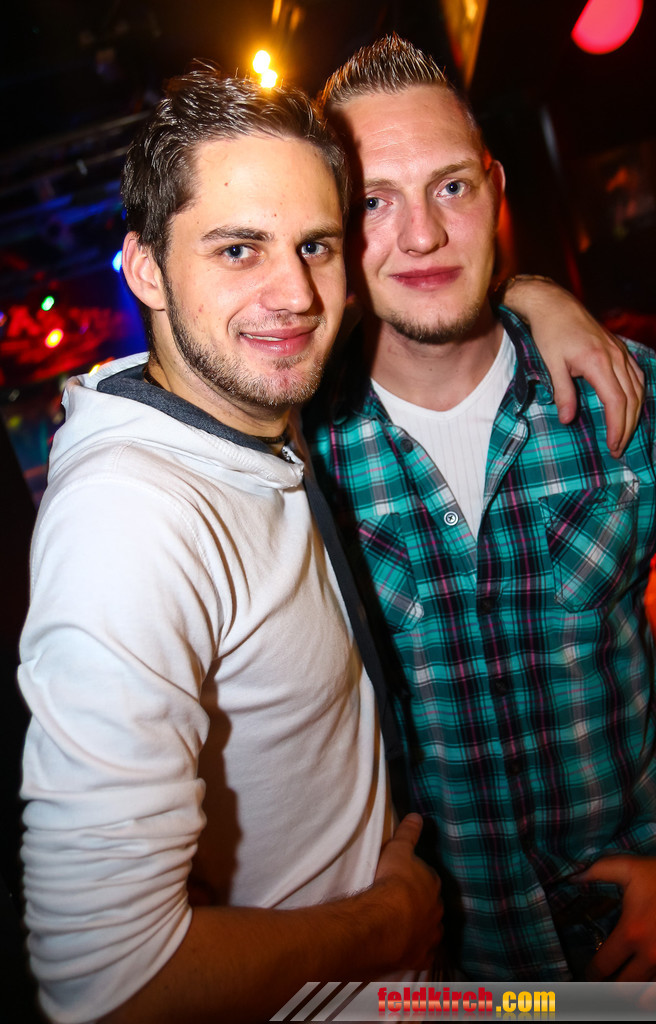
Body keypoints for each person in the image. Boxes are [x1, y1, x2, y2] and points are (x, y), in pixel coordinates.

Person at [18, 69, 444, 1024]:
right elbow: (109, 988)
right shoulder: (130, 517)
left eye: (315, 246)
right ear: (145, 271)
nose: (295, 294)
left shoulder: (244, 415)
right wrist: (386, 925)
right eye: (239, 249)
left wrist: (538, 300)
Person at [305, 34, 656, 982]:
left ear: (496, 188)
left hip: (649, 963)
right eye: (373, 202)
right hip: (454, 982)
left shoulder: (624, 394)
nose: (422, 235)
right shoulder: (298, 457)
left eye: (451, 187)